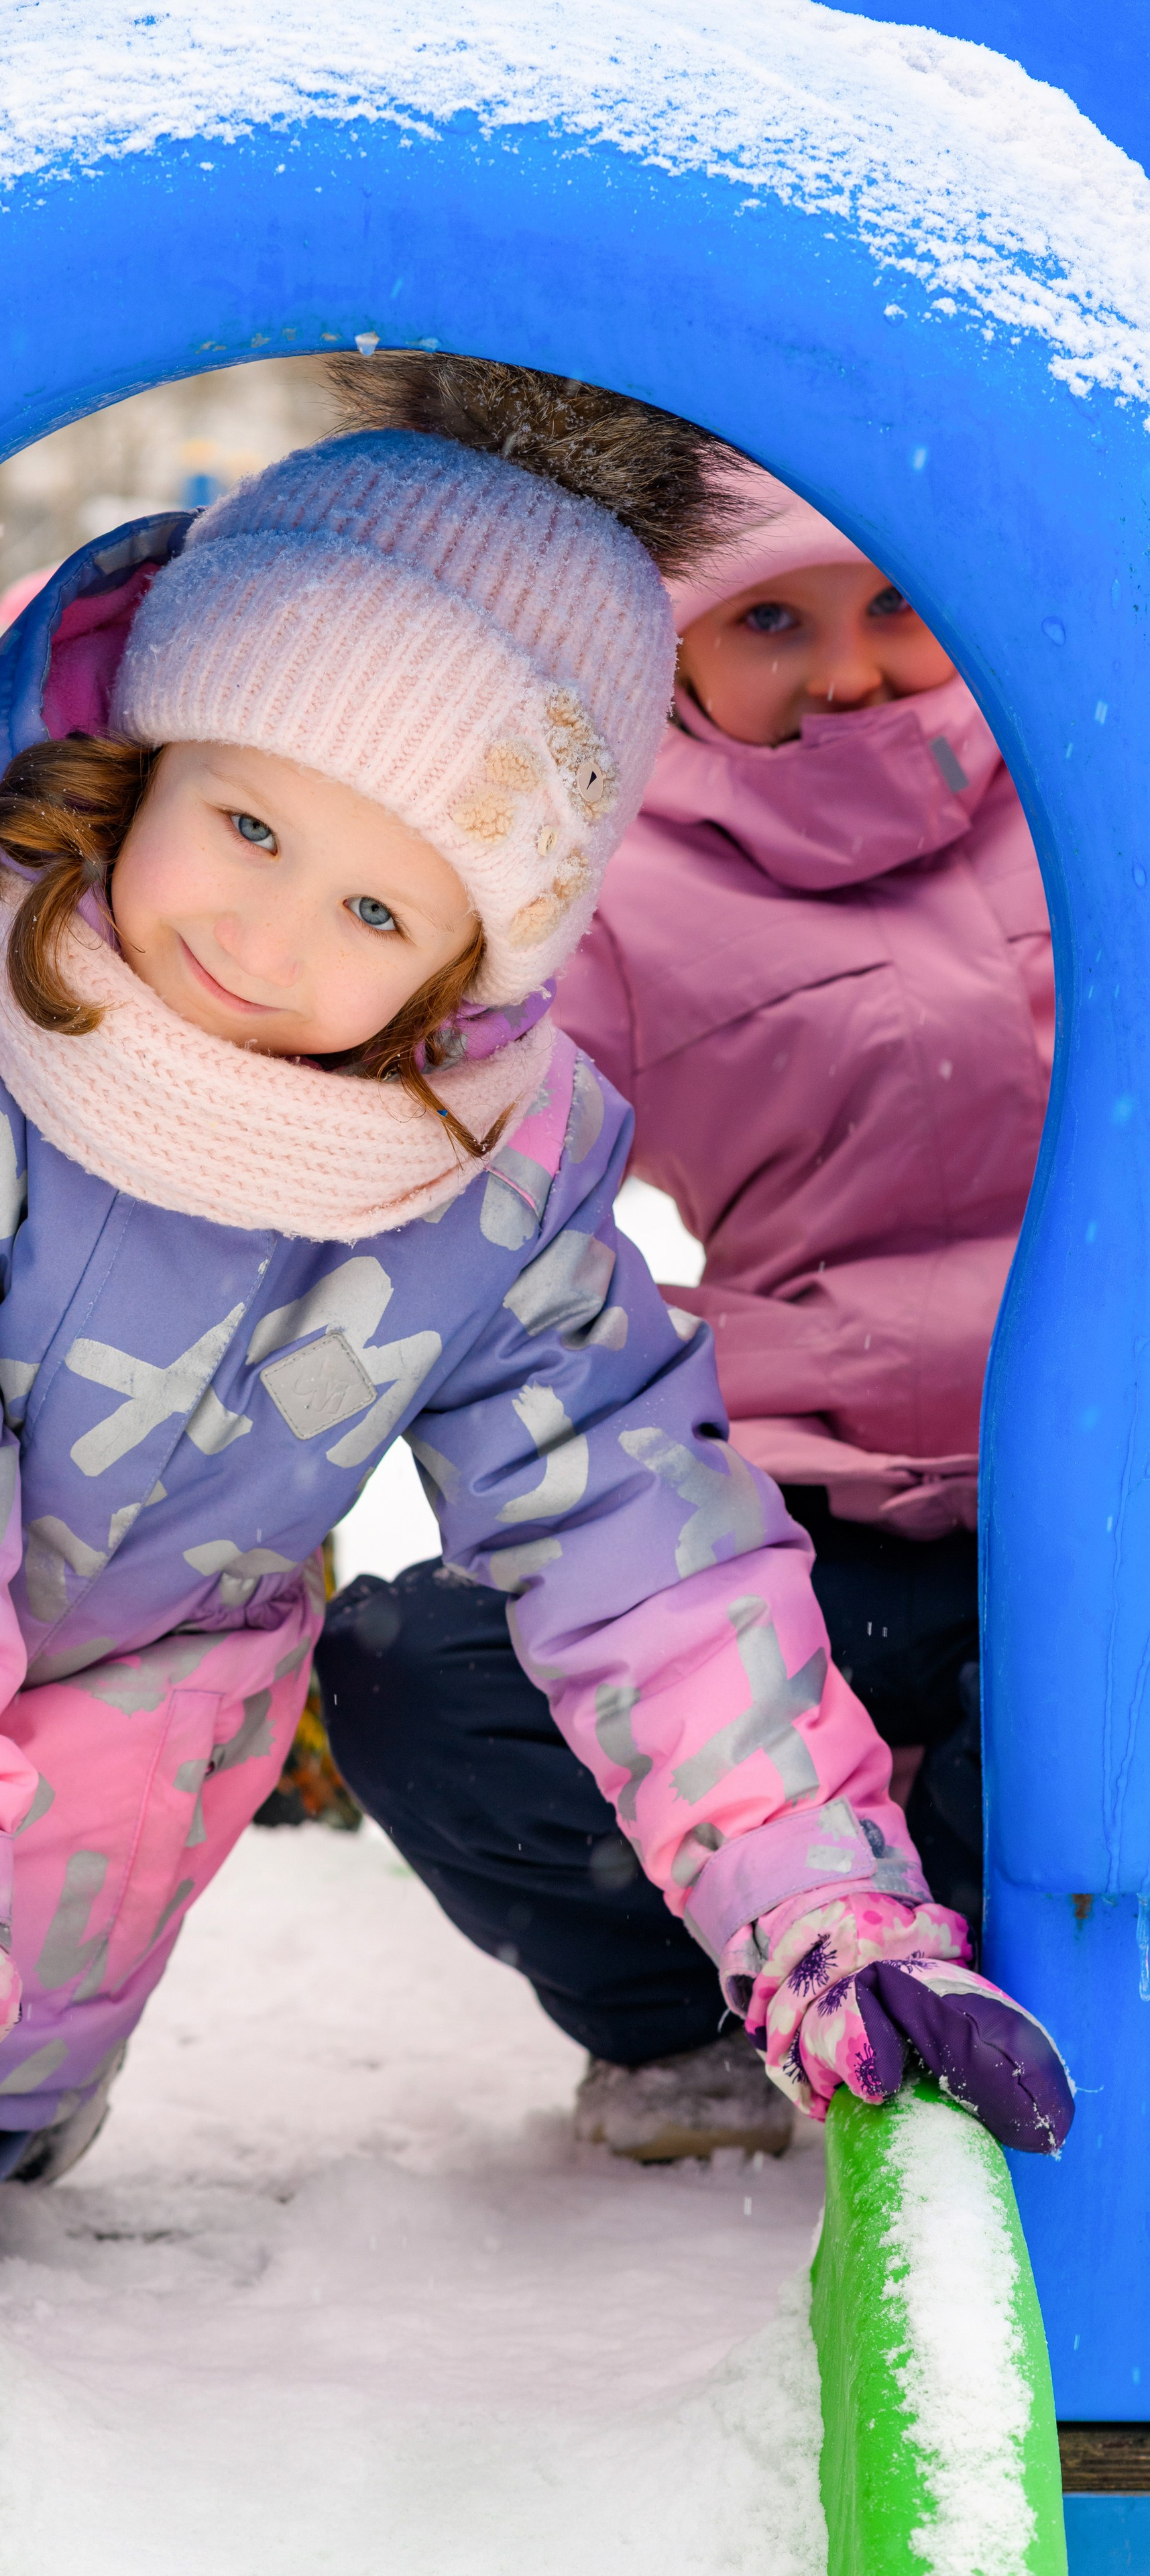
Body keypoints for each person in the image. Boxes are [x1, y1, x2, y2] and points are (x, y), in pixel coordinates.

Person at [0, 372, 1070, 2261]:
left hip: (102, 1794)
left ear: (479, 963)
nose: (270, 940)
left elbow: (643, 1547)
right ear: (154, 742)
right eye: (247, 823)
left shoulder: (485, 1156)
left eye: (384, 915)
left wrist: (830, 1920)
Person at [318, 357, 1047, 2161]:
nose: (849, 669)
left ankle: (1027, 1958)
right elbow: (464, 1139)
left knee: (1066, 1717)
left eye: (892, 604)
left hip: (1086, 1505)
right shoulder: (613, 880)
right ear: (675, 646)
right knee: (423, 1673)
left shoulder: (1082, 788)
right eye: (771, 621)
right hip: (819, 1514)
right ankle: (686, 2016)